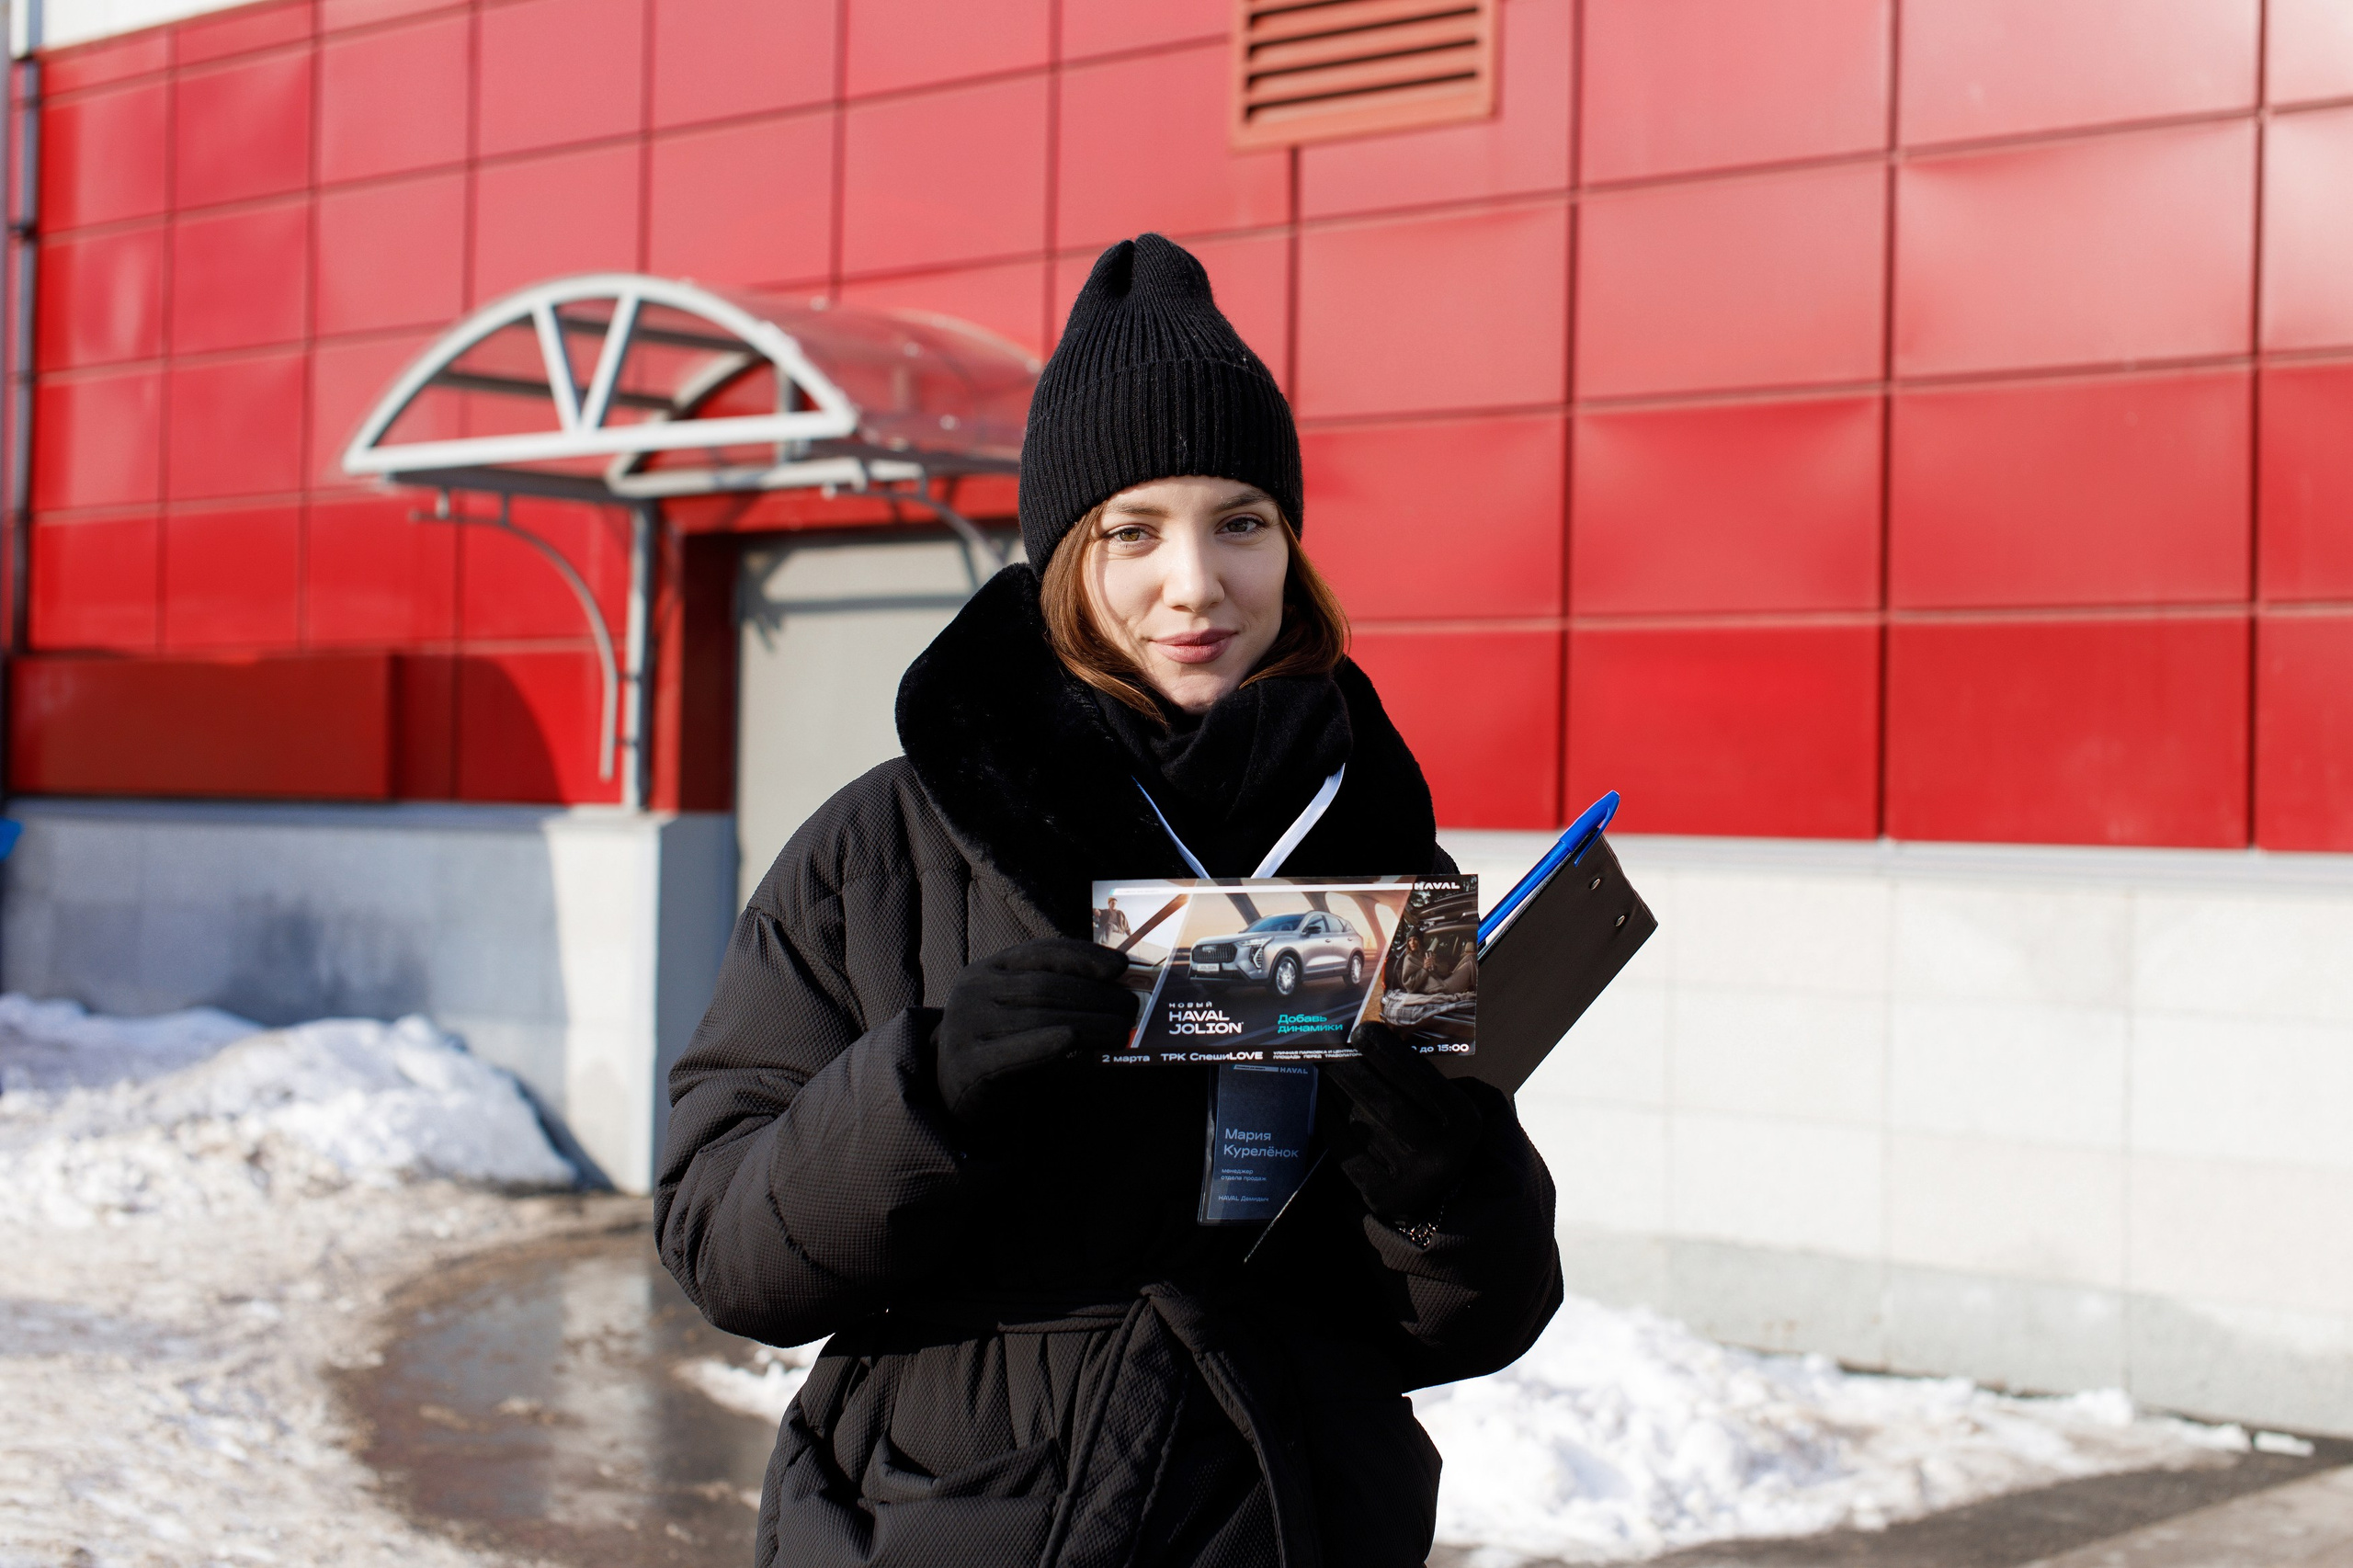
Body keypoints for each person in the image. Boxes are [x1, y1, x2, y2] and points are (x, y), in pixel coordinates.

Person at [657, 233, 1562, 1568]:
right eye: (1133, 531)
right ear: (1062, 557)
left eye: (1240, 522)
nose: (1194, 584)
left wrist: (1437, 1175)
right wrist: (924, 1092)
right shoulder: (881, 847)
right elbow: (722, 1250)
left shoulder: (1379, 859)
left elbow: (1475, 1319)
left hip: (1288, 1510)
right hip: (959, 1517)